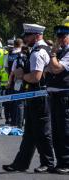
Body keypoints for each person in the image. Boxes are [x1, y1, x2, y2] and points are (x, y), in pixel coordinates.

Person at [2, 23, 54, 173]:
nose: (25, 38)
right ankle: (20, 163)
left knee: (42, 132)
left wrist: (21, 75)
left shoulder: (38, 52)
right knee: (30, 133)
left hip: (39, 96)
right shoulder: (43, 49)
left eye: (28, 35)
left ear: (36, 36)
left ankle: (48, 163)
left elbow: (36, 77)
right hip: (36, 96)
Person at [46, 16, 69, 174]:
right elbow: (48, 69)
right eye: (58, 36)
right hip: (54, 95)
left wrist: (53, 55)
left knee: (65, 130)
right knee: (56, 131)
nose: (60, 39)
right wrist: (54, 57)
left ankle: (66, 162)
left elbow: (57, 68)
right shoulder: (61, 51)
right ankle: (60, 161)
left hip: (64, 96)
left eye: (63, 36)